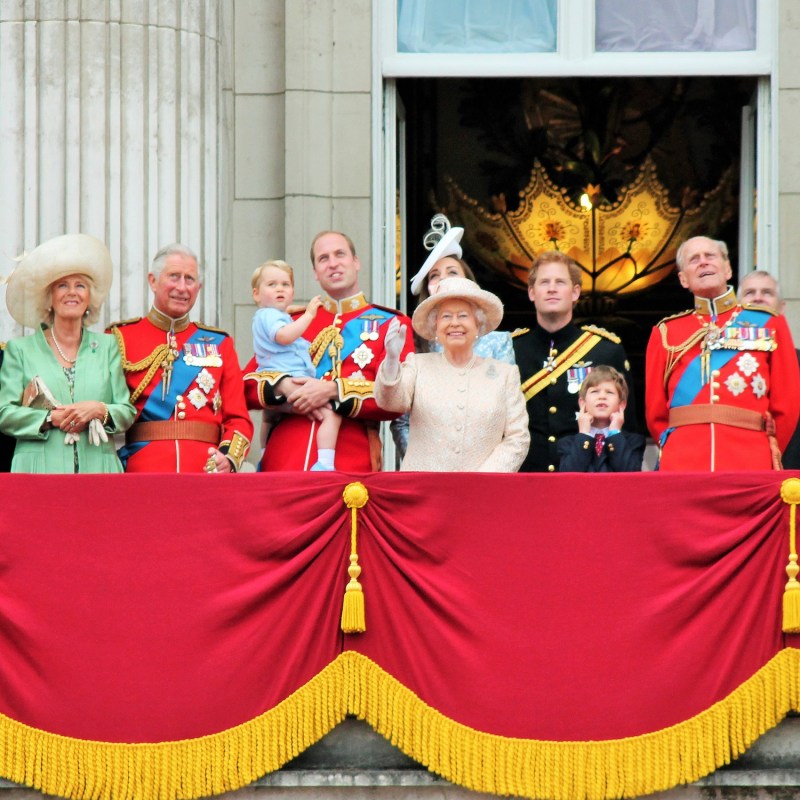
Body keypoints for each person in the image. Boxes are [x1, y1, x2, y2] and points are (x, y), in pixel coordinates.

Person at [243, 231, 414, 471]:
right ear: (315, 272)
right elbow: (245, 385)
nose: (332, 263)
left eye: (340, 254)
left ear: (356, 262)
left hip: (349, 464)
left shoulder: (391, 324)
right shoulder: (293, 322)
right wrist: (283, 386)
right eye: (323, 258)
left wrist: (332, 390)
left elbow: (399, 399)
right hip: (283, 461)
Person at [645, 236, 800, 471]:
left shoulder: (770, 323)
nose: (703, 262)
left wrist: (767, 450)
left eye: (710, 256)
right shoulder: (665, 332)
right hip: (683, 462)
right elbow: (655, 413)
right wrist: (675, 446)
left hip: (750, 460)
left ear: (728, 269)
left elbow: (787, 405)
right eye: (693, 259)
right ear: (683, 279)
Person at [108, 243, 253, 473]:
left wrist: (228, 457)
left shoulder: (220, 343)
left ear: (199, 287)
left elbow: (238, 418)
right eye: (174, 277)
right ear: (153, 281)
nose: (182, 287)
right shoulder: (119, 339)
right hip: (143, 470)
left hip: (205, 470)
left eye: (190, 279)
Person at [0, 233, 136, 473]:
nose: (72, 292)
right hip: (38, 470)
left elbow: (126, 412)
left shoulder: (107, 347)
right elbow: (5, 414)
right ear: (49, 298)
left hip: (98, 469)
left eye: (80, 285)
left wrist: (98, 409)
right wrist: (50, 419)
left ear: (89, 298)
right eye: (62, 285)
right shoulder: (19, 350)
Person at [391, 214, 515, 458]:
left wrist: (489, 470)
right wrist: (425, 467)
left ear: (468, 282)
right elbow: (401, 422)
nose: (443, 279)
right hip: (429, 475)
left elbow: (508, 419)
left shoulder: (498, 342)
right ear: (427, 289)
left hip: (485, 473)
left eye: (452, 272)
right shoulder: (415, 346)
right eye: (434, 275)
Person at [375, 277, 529, 471]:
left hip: (482, 494)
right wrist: (391, 360)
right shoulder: (417, 365)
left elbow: (518, 437)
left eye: (463, 316)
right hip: (423, 491)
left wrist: (483, 480)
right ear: (435, 326)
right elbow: (391, 402)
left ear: (478, 324)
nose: (454, 323)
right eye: (446, 316)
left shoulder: (505, 374)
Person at [512, 250, 636, 472]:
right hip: (525, 476)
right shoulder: (511, 349)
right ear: (531, 292)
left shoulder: (606, 350)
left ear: (575, 292)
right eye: (544, 282)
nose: (552, 288)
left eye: (560, 282)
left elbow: (629, 426)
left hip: (584, 475)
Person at [250, 259, 340, 471]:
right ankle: (326, 463)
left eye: (285, 285)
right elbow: (284, 335)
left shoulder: (270, 314)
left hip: (274, 379)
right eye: (272, 285)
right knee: (331, 415)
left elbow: (282, 314)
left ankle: (264, 454)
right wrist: (308, 314)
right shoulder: (275, 318)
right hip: (292, 378)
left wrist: (296, 309)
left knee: (269, 416)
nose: (279, 289)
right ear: (256, 294)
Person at [737, 270, 800, 469]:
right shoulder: (722, 363)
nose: (757, 297)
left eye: (767, 292)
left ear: (781, 307)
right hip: (741, 468)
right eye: (750, 293)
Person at [557, 365, 645, 472]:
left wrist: (614, 433)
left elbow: (630, 474)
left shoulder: (634, 442)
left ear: (621, 405)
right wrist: (584, 434)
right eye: (595, 392)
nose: (602, 396)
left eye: (609, 392)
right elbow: (568, 476)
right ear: (582, 403)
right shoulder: (567, 444)